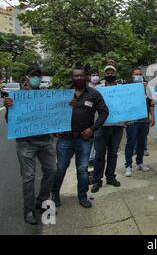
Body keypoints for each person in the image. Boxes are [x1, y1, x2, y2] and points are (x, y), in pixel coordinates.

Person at [4, 64, 57, 225]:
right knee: (28, 177)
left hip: (45, 141)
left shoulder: (46, 96)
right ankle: (28, 210)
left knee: (52, 170)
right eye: (33, 75)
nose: (36, 78)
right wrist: (8, 108)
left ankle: (41, 200)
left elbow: (54, 115)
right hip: (26, 143)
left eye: (38, 75)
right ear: (26, 77)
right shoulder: (16, 97)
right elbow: (10, 121)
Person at [52, 66, 109, 208]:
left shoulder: (94, 94)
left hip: (84, 138)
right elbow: (52, 112)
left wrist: (92, 129)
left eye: (81, 75)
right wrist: (54, 128)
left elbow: (104, 112)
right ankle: (54, 194)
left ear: (86, 77)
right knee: (60, 167)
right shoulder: (64, 94)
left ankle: (83, 196)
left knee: (83, 169)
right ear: (72, 78)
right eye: (75, 76)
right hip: (65, 138)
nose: (78, 78)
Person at [91, 63, 124, 193]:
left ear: (115, 74)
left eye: (112, 72)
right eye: (108, 73)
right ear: (104, 74)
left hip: (117, 126)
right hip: (101, 125)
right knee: (99, 155)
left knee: (113, 154)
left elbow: (127, 105)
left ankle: (110, 177)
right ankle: (96, 180)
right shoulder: (97, 89)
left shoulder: (122, 88)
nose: (110, 74)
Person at [124, 68, 153, 176]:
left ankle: (140, 162)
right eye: (136, 74)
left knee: (141, 142)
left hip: (144, 119)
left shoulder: (146, 87)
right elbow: (124, 103)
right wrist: (124, 119)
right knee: (131, 143)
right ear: (132, 76)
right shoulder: (128, 88)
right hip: (132, 120)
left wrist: (152, 117)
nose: (138, 76)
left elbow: (151, 102)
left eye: (140, 74)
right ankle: (128, 165)